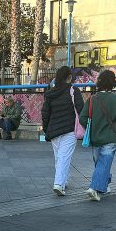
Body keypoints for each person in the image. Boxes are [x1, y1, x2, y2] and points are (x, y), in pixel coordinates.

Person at [78, 69, 116, 202]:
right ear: (113, 83)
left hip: (95, 138)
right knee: (104, 163)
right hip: (110, 137)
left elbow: (83, 118)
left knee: (100, 163)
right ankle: (94, 188)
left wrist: (92, 127)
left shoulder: (92, 99)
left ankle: (104, 186)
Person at [42, 66, 82, 196]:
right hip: (70, 129)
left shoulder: (51, 93)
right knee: (64, 157)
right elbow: (81, 109)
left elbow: (45, 113)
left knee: (59, 157)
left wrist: (46, 129)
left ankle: (64, 181)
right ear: (69, 77)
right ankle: (59, 184)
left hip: (54, 130)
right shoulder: (73, 90)